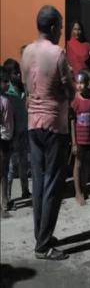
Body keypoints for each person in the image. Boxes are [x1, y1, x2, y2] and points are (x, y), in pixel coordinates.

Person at [21, 5, 74, 260]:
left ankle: (41, 235)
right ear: (52, 27)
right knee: (53, 183)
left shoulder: (26, 52)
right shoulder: (57, 53)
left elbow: (27, 88)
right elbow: (69, 90)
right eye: (61, 27)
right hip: (54, 125)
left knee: (39, 182)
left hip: (33, 124)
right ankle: (43, 246)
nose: (61, 31)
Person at [4, 59, 31, 206]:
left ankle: (25, 190)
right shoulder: (7, 92)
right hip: (12, 134)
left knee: (23, 164)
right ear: (9, 75)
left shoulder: (22, 89)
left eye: (19, 72)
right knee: (10, 167)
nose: (19, 75)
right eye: (15, 73)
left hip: (23, 131)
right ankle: (7, 197)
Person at [70, 71, 90, 206]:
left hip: (89, 138)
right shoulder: (75, 101)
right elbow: (72, 121)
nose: (80, 86)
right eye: (78, 83)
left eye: (82, 83)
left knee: (87, 165)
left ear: (87, 84)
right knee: (78, 165)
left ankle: (85, 187)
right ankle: (77, 192)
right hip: (79, 139)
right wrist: (74, 142)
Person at [0, 67, 14, 218]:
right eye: (5, 82)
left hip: (7, 139)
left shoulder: (6, 98)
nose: (8, 84)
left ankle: (4, 201)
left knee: (4, 172)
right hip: (2, 140)